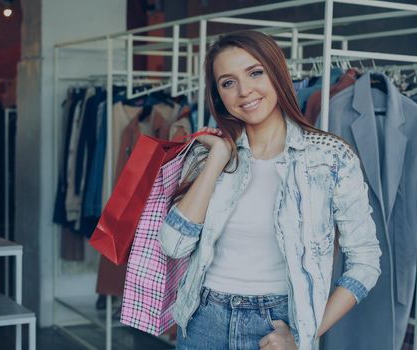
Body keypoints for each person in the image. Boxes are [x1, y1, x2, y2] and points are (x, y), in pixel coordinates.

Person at [159, 30, 381, 350]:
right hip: (202, 322)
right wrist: (217, 159)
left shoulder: (330, 158)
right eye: (227, 82)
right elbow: (175, 244)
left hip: (277, 325)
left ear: (277, 72)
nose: (244, 90)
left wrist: (305, 333)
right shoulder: (206, 154)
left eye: (255, 72)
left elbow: (366, 261)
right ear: (217, 94)